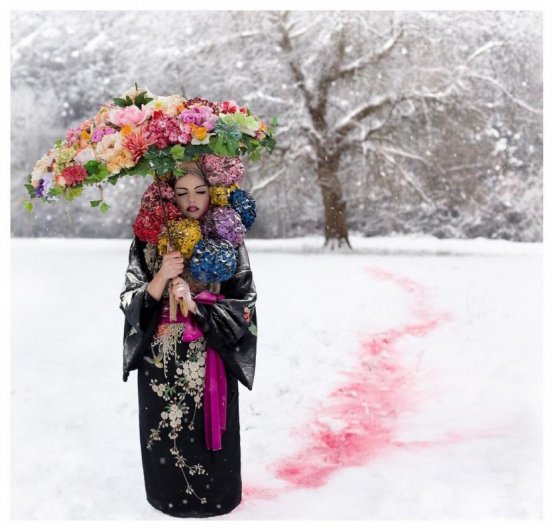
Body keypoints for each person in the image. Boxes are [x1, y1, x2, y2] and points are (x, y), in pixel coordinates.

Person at [119, 159, 258, 518]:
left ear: (213, 191)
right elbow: (128, 299)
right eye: (181, 193)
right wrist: (162, 275)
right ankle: (167, 495)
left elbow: (244, 300)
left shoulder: (228, 237)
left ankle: (218, 497)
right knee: (166, 428)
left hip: (210, 348)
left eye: (200, 190)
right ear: (169, 196)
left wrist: (197, 307)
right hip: (160, 355)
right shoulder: (148, 239)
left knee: (210, 429)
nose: (191, 199)